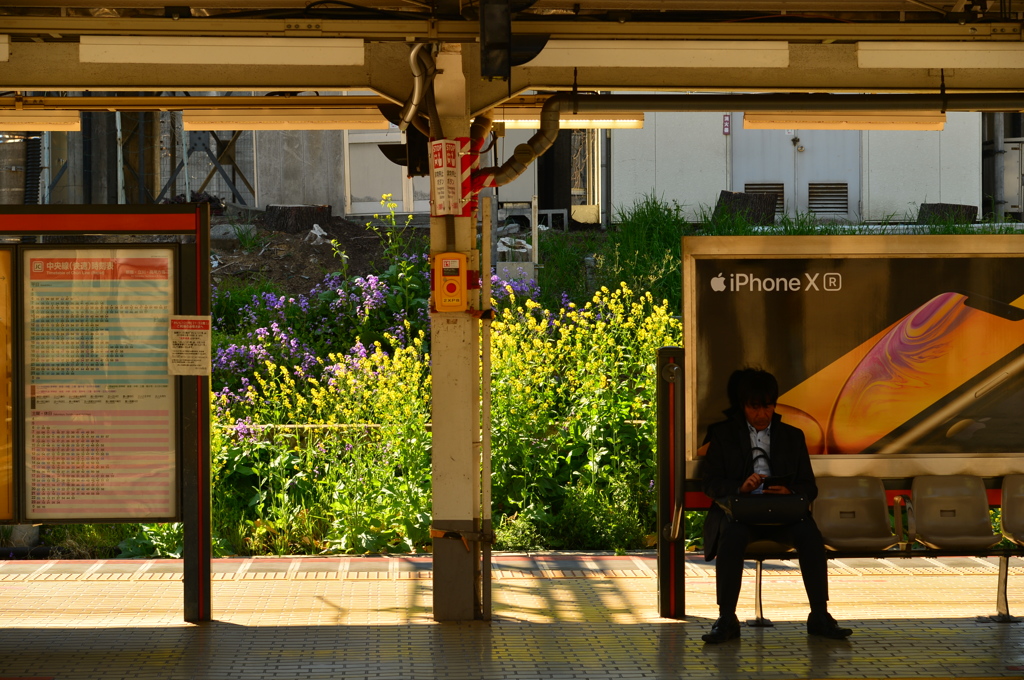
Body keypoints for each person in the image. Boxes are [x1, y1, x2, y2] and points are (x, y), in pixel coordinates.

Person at [700, 367, 852, 643]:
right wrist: (740, 488)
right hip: (742, 513)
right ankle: (726, 618)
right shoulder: (723, 435)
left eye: (767, 406)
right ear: (743, 405)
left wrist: (790, 490)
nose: (761, 414)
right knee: (731, 538)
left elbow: (809, 485)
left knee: (809, 535)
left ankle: (820, 615)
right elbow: (710, 483)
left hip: (784, 514)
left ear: (774, 404)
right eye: (754, 407)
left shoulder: (792, 436)